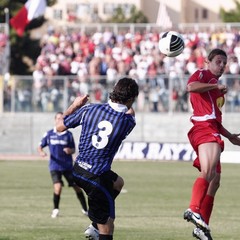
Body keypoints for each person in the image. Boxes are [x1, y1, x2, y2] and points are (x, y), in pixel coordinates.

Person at [56, 77, 139, 240]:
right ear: (130, 99)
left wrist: (75, 105)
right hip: (96, 177)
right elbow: (130, 111)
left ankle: (95, 223)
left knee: (118, 183)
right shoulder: (127, 122)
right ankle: (97, 225)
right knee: (107, 227)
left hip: (79, 169)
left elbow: (59, 126)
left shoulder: (89, 109)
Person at [183, 48, 240, 240]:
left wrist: (230, 135)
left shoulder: (215, 88)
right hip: (203, 128)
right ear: (208, 62)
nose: (222, 66)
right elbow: (190, 87)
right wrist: (214, 87)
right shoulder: (203, 74)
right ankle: (193, 209)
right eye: (218, 61)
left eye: (224, 63)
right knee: (207, 172)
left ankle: (202, 226)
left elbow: (215, 117)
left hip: (212, 128)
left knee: (214, 182)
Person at [38, 112, 88, 218]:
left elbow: (74, 149)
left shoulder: (68, 135)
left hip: (68, 166)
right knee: (58, 187)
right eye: (58, 118)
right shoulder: (49, 134)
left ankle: (85, 209)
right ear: (55, 120)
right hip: (54, 166)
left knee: (77, 187)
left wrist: (70, 150)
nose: (60, 120)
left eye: (62, 119)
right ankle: (55, 209)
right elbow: (40, 146)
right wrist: (41, 152)